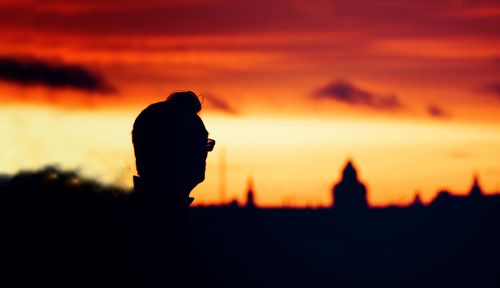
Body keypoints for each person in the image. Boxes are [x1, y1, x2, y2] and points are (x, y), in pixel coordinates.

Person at [127, 91, 215, 287]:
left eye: (205, 144)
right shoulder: (167, 236)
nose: (204, 152)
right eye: (198, 143)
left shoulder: (132, 223)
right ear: (172, 149)